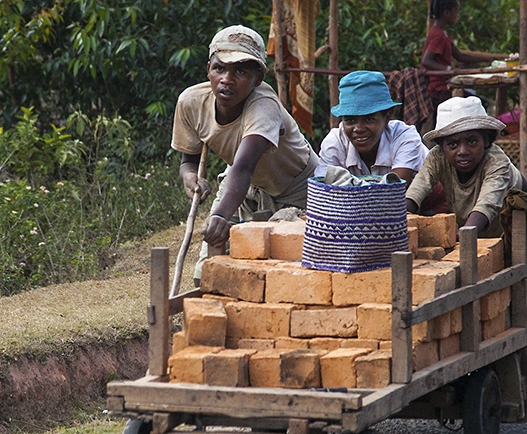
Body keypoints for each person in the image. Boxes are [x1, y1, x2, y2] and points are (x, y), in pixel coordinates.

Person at [172, 25, 320, 259]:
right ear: (208, 70)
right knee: (208, 270)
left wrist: (220, 216)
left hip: (300, 188)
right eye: (219, 68)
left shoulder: (264, 107)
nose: (226, 80)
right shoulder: (191, 103)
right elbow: (188, 159)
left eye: (240, 71)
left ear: (258, 78)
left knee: (287, 270)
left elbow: (245, 166)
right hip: (243, 186)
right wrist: (190, 178)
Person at [404, 96, 527, 239]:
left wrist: (464, 234)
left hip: (511, 216)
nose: (462, 151)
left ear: (486, 140)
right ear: (442, 147)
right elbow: (418, 187)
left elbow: (488, 203)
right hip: (473, 223)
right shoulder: (436, 156)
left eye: (472, 141)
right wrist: (402, 219)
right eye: (453, 144)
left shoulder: (496, 161)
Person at [318, 70, 427, 182]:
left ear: (386, 118)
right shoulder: (335, 141)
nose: (358, 129)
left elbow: (394, 190)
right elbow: (322, 188)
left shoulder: (405, 137)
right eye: (350, 120)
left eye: (369, 119)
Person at [421, 0, 509, 113]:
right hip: (438, 88)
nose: (457, 15)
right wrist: (448, 69)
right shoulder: (438, 35)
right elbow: (426, 60)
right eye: (456, 11)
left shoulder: (443, 33)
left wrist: (487, 59)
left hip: (443, 84)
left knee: (477, 103)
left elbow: (460, 56)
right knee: (478, 104)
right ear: (446, 13)